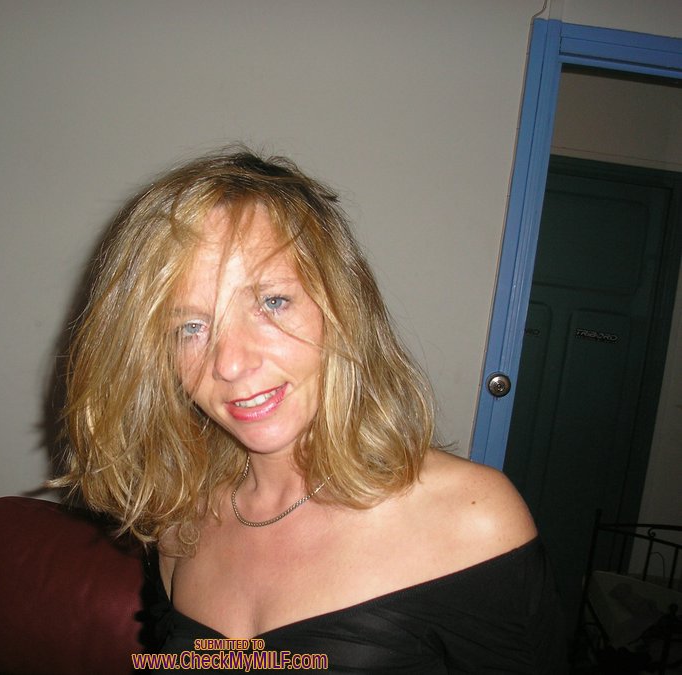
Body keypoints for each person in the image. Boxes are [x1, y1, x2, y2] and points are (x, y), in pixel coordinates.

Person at [54, 149, 566, 672]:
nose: (230, 363)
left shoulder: (471, 519)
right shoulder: (181, 522)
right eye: (191, 327)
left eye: (272, 302)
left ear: (341, 305)